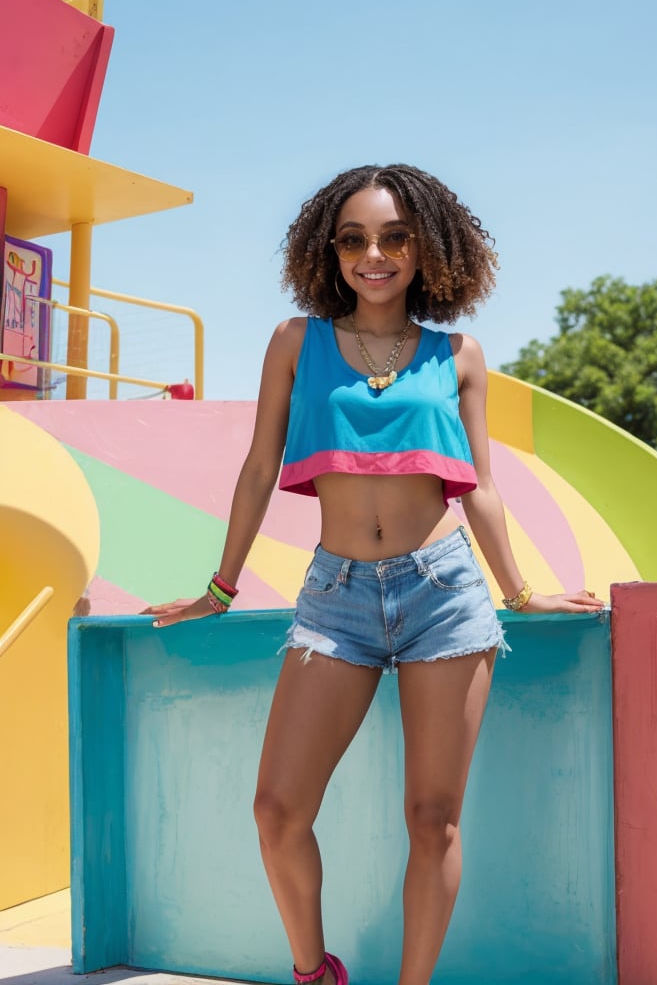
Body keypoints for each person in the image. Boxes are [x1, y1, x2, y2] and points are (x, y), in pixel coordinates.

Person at [143, 164, 603, 985]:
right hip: (335, 598)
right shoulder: (296, 342)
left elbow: (483, 488)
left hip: (445, 596)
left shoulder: (459, 355)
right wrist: (221, 586)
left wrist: (521, 592)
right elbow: (257, 469)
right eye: (354, 239)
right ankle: (314, 972)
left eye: (395, 237)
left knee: (433, 820)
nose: (375, 255)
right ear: (331, 251)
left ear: (428, 248)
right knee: (277, 812)